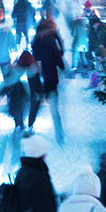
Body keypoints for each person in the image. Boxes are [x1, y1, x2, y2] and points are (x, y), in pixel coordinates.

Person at [31, 17, 66, 145]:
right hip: (50, 79)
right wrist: (61, 66)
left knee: (36, 105)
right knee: (54, 109)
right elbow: (58, 57)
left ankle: (30, 127)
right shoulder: (50, 42)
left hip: (39, 79)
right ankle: (59, 134)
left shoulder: (36, 41)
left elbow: (34, 57)